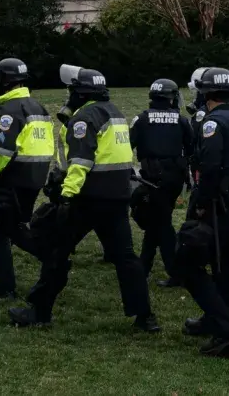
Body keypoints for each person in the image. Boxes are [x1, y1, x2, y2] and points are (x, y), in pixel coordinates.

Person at [11, 66, 156, 332]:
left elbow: (80, 162)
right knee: (126, 258)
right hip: (117, 197)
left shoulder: (84, 118)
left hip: (87, 198)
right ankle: (144, 316)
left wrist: (66, 196)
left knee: (57, 252)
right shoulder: (115, 113)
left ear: (79, 93)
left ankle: (39, 312)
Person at [177, 67, 229, 358]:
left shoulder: (213, 123)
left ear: (207, 93)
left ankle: (225, 328)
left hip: (223, 206)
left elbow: (209, 169)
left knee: (187, 263)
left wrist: (200, 204)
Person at [0, 57, 53, 300]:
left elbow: (2, 151)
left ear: (4, 80)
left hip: (11, 179)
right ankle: (53, 259)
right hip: (34, 178)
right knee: (16, 228)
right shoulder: (37, 107)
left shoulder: (8, 110)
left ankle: (6, 288)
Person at [128, 78, 192, 284]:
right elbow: (191, 149)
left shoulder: (141, 119)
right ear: (172, 98)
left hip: (151, 178)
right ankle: (144, 266)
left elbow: (128, 144)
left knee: (161, 224)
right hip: (174, 178)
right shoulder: (182, 121)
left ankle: (176, 271)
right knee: (159, 220)